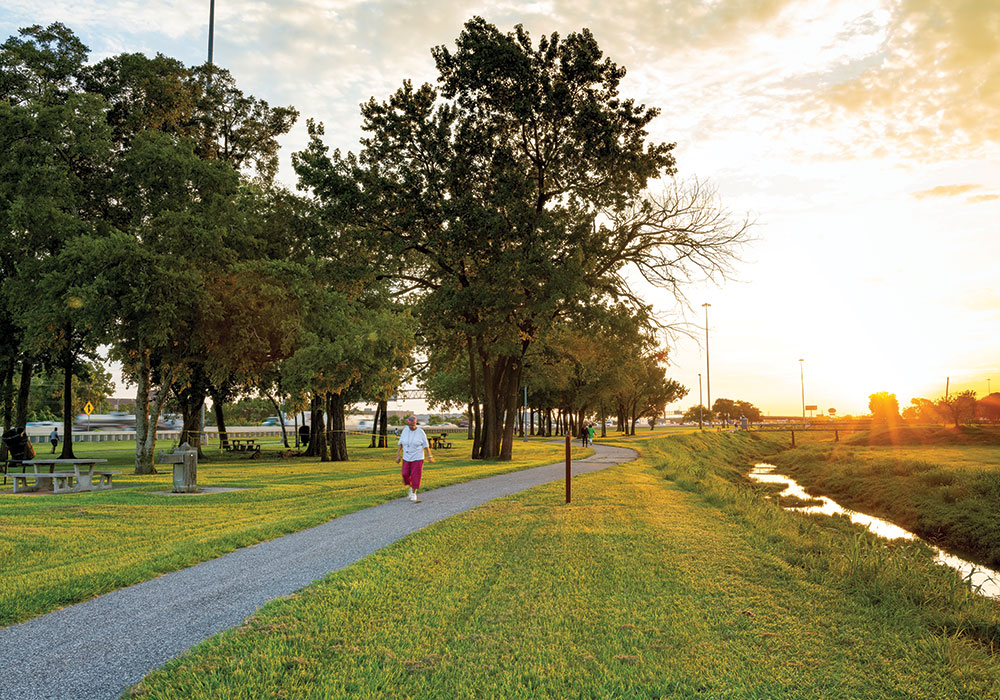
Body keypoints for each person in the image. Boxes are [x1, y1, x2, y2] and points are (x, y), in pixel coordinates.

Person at [396, 415, 434, 502]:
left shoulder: (420, 432)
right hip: (406, 457)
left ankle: (413, 493)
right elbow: (401, 444)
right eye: (410, 425)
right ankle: (411, 486)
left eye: (413, 425)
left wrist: (430, 456)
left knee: (415, 476)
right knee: (405, 474)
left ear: (416, 423)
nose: (411, 427)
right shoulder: (405, 431)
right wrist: (398, 455)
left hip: (417, 457)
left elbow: (426, 446)